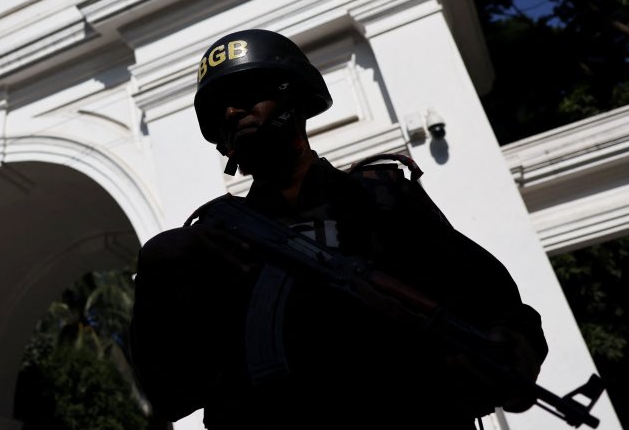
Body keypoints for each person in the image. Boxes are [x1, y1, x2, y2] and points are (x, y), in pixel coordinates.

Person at [129, 29, 548, 429]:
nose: (232, 111)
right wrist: (157, 275)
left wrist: (512, 350)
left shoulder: (385, 202)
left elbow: (495, 304)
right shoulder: (208, 244)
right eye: (220, 108)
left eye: (244, 94)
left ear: (290, 96)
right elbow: (171, 395)